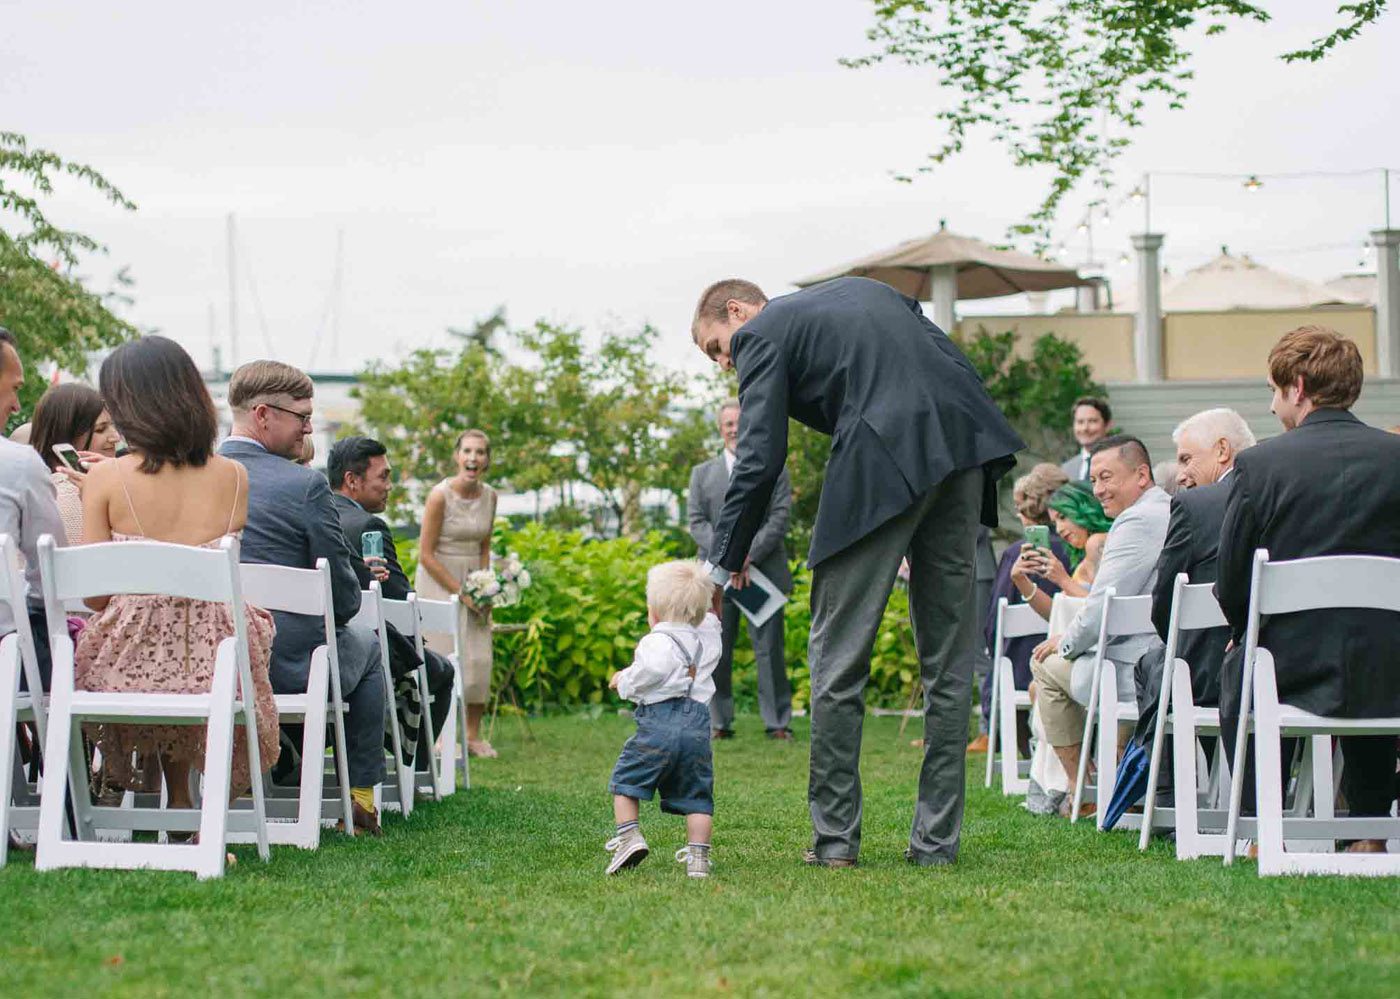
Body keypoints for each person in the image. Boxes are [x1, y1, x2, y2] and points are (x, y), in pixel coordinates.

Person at [690, 275, 1022, 867]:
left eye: (717, 347)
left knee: (836, 658)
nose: (725, 365)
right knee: (948, 665)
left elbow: (760, 458)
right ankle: (936, 845)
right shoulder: (864, 291)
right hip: (963, 450)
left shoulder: (762, 333)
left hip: (881, 458)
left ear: (737, 310)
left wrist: (719, 569)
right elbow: (951, 359)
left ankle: (836, 839)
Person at [74, 336, 280, 807]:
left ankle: (134, 796)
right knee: (188, 636)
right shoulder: (234, 476)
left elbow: (95, 599)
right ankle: (183, 802)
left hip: (129, 666)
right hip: (217, 664)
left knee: (141, 636)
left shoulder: (106, 477)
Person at [1216, 327, 1400, 851]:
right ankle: (1369, 827)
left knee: (1240, 661)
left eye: (1274, 392)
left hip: (1290, 666)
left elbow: (1232, 581)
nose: (1273, 407)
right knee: (1374, 648)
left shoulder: (1259, 465)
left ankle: (1259, 827)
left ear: (1298, 387)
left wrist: (1240, 630)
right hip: (1391, 663)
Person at [219, 360, 387, 836]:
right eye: (303, 416)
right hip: (288, 665)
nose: (310, 427)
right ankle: (359, 799)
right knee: (368, 646)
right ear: (264, 414)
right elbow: (343, 597)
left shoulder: (196, 474)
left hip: (213, 661)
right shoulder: (305, 484)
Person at [1029, 435, 1170, 814]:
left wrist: (1066, 644)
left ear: (1141, 475)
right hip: (1165, 661)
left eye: (1107, 477)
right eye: (1094, 480)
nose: (1099, 489)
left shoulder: (1136, 521)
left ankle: (1080, 788)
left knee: (1043, 664)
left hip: (1133, 671)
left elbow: (1099, 609)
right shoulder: (1171, 509)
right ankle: (1109, 777)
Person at [328, 435, 454, 769]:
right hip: (370, 649)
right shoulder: (369, 526)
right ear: (352, 481)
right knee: (444, 670)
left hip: (320, 647)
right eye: (383, 476)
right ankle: (419, 770)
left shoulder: (316, 517)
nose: (390, 485)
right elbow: (399, 597)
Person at [1135, 408, 1255, 727]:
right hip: (1281, 670)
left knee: (1150, 665)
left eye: (1186, 459)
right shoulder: (1280, 494)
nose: (1180, 474)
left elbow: (1164, 606)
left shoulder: (1195, 505)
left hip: (1209, 673)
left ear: (1222, 450)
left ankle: (1169, 775)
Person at [605, 560, 722, 879]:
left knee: (626, 781)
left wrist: (624, 680)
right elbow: (711, 620)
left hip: (658, 724)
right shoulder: (709, 635)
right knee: (698, 794)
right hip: (698, 728)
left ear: (653, 613)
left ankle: (629, 837)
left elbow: (651, 671)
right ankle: (698, 859)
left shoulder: (656, 642)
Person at [687, 398, 793, 741]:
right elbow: (696, 522)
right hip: (717, 577)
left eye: (740, 422)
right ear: (721, 429)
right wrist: (729, 557)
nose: (735, 428)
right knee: (716, 647)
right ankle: (720, 722)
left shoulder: (773, 467)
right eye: (728, 423)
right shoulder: (701, 474)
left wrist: (747, 555)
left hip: (762, 573)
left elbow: (779, 518)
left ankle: (777, 722)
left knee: (770, 650)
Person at [416, 429, 498, 758]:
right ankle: (440, 735)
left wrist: (484, 587)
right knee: (442, 655)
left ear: (487, 460)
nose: (473, 458)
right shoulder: (439, 496)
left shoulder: (490, 496)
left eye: (480, 452)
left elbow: (484, 545)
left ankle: (474, 736)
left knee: (479, 657)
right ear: (457, 456)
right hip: (439, 577)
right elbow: (425, 553)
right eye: (467, 451)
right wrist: (459, 591)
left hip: (473, 579)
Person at [978, 463, 1072, 745]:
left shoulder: (1017, 555)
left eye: (1019, 508)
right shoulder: (1078, 548)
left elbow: (995, 625)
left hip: (1021, 668)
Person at [0, 327, 64, 685]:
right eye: (15, 388)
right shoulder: (19, 464)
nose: (17, 406)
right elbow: (53, 578)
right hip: (7, 663)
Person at [29, 382, 123, 543]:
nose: (115, 437)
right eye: (100, 430)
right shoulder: (68, 495)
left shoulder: (36, 489)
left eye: (113, 426)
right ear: (65, 436)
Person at [1060, 397, 1112, 482]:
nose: (1085, 428)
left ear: (1108, 425)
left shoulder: (1120, 464)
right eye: (1080, 422)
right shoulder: (1066, 469)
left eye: (1092, 421)